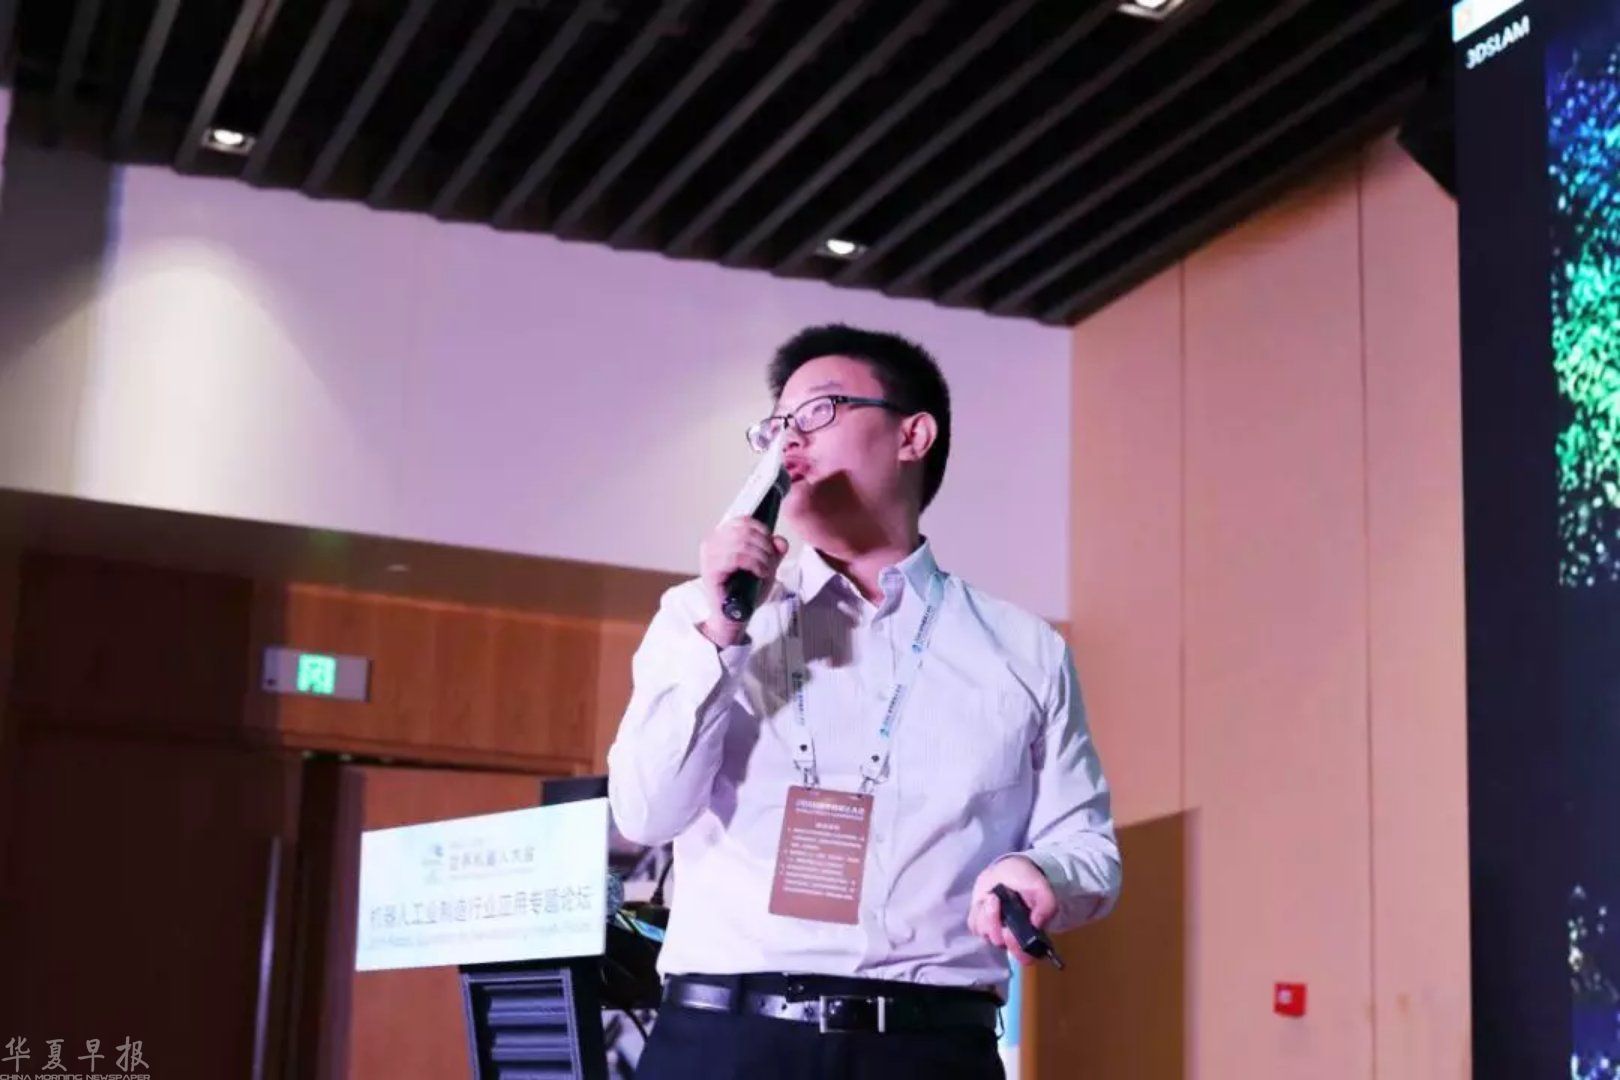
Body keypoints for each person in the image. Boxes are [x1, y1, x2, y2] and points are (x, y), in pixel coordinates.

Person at [608, 324, 1120, 1079]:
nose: (789, 438)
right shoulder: (702, 616)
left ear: (913, 435)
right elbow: (646, 813)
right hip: (728, 1039)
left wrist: (1040, 872)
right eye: (776, 424)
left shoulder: (1024, 650)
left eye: (820, 410)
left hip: (930, 1047)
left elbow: (1089, 848)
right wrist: (722, 630)